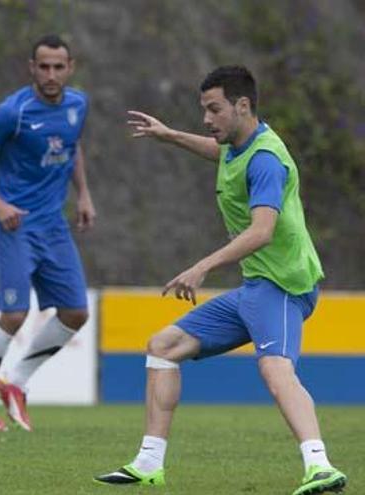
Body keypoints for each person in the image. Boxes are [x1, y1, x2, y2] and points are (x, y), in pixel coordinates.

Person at [95, 66, 347, 495]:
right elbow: (219, 154)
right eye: (204, 110)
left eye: (214, 110)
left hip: (285, 286)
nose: (207, 120)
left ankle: (320, 466)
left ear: (242, 106)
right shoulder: (238, 148)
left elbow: (262, 230)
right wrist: (170, 135)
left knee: (274, 367)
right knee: (163, 347)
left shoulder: (266, 159)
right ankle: (148, 463)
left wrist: (203, 266)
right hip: (255, 289)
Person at [0, 35, 96, 432]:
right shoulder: (12, 112)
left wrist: (83, 194)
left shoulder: (78, 104)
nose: (51, 74)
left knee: (76, 312)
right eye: (44, 66)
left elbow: (72, 146)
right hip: (13, 224)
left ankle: (15, 384)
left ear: (71, 67)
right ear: (31, 68)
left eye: (58, 67)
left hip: (54, 225)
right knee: (15, 313)